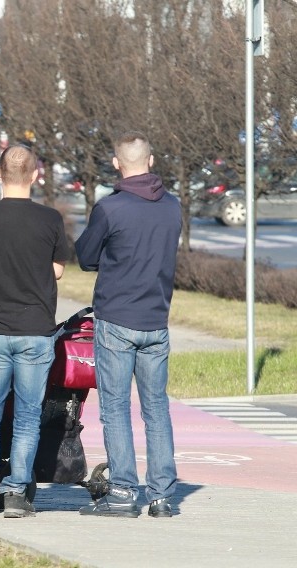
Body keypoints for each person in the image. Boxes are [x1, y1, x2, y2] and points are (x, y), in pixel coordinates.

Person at [75, 131, 182, 518]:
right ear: (151, 161)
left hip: (117, 319)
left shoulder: (111, 208)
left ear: (117, 164)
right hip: (156, 320)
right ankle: (162, 496)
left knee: (116, 407)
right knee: (156, 408)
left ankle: (122, 492)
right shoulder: (173, 206)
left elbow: (86, 256)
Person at [0, 144, 70, 518]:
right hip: (36, 330)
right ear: (36, 175)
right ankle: (15, 493)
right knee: (28, 415)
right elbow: (57, 270)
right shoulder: (50, 219)